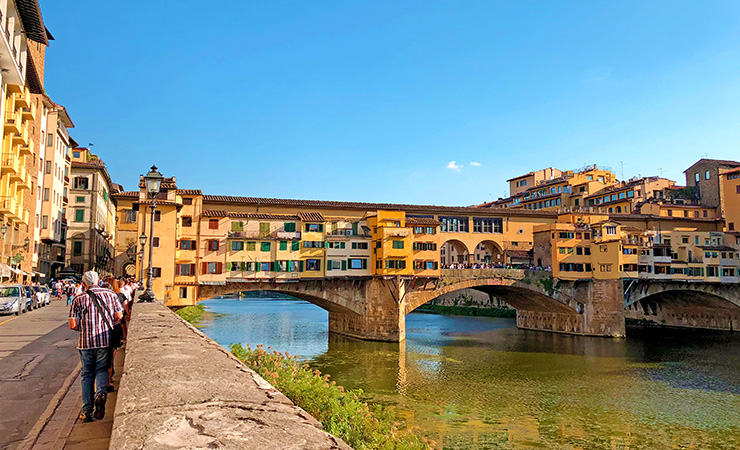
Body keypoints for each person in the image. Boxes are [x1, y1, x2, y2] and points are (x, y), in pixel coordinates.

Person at [68, 271, 123, 422]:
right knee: (101, 370)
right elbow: (119, 316)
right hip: (104, 340)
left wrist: (84, 328)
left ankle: (87, 411)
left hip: (85, 343)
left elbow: (72, 325)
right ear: (98, 280)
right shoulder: (111, 295)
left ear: (83, 283)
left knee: (87, 376)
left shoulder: (78, 299)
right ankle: (100, 392)